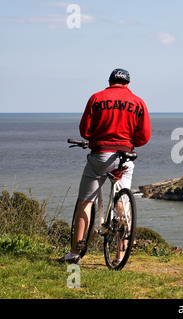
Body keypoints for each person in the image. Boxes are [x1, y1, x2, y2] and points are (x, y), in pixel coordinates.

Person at [57, 68, 151, 264]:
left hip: (100, 154)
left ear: (109, 82)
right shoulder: (138, 102)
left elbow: (85, 130)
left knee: (86, 202)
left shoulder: (96, 98)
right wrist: (127, 141)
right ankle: (120, 255)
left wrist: (96, 138)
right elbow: (144, 136)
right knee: (123, 201)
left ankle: (75, 253)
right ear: (128, 84)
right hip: (125, 156)